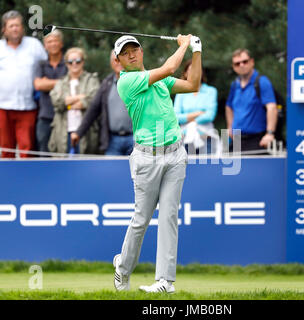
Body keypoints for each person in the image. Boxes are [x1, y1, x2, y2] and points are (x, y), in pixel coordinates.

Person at [112, 34, 202, 293]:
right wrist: (184, 44)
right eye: (125, 52)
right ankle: (123, 269)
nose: (132, 54)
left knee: (169, 217)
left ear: (141, 52)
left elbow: (193, 84)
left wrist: (196, 51)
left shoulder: (160, 82)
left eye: (135, 49)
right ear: (118, 61)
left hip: (175, 153)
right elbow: (171, 67)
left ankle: (165, 281)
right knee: (141, 219)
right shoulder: (128, 82)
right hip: (146, 158)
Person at [0, 10, 47, 158]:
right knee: (6, 149)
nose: (15, 28)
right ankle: (8, 180)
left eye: (18, 25)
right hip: (2, 106)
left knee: (27, 149)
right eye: (11, 26)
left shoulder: (34, 45)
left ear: (23, 28)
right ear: (4, 30)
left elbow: (46, 68)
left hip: (28, 106)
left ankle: (27, 179)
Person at [70, 50, 133, 155]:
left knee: (137, 171)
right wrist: (78, 133)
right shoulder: (106, 84)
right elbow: (93, 110)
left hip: (135, 139)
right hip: (112, 141)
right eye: (116, 60)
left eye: (122, 59)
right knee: (111, 171)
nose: (119, 63)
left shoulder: (139, 81)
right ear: (111, 63)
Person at [48, 47, 100, 155]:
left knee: (85, 166)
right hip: (63, 131)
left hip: (86, 132)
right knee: (64, 166)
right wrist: (80, 97)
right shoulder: (60, 82)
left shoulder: (91, 79)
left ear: (83, 62)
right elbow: (56, 101)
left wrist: (69, 101)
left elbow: (94, 99)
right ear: (66, 63)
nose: (74, 64)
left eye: (78, 61)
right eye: (70, 62)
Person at [225, 48, 278, 154]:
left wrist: (270, 133)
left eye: (245, 61)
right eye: (237, 63)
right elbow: (229, 106)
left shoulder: (262, 82)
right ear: (233, 67)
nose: (241, 65)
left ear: (252, 62)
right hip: (236, 141)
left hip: (257, 140)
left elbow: (271, 107)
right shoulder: (235, 84)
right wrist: (229, 127)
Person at [33, 29, 68, 153]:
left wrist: (47, 82)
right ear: (45, 46)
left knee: (65, 153)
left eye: (55, 41)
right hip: (45, 115)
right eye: (49, 41)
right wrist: (61, 82)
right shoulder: (40, 64)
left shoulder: (69, 63)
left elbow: (71, 84)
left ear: (61, 44)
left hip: (66, 115)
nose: (52, 44)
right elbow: (38, 85)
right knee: (43, 152)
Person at [174, 59, 218, 154]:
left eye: (196, 69)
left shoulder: (211, 91)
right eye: (190, 70)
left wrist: (189, 119)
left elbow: (210, 115)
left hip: (206, 138)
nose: (194, 73)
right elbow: (176, 117)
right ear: (185, 74)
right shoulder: (180, 93)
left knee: (208, 168)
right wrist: (198, 113)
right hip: (184, 139)